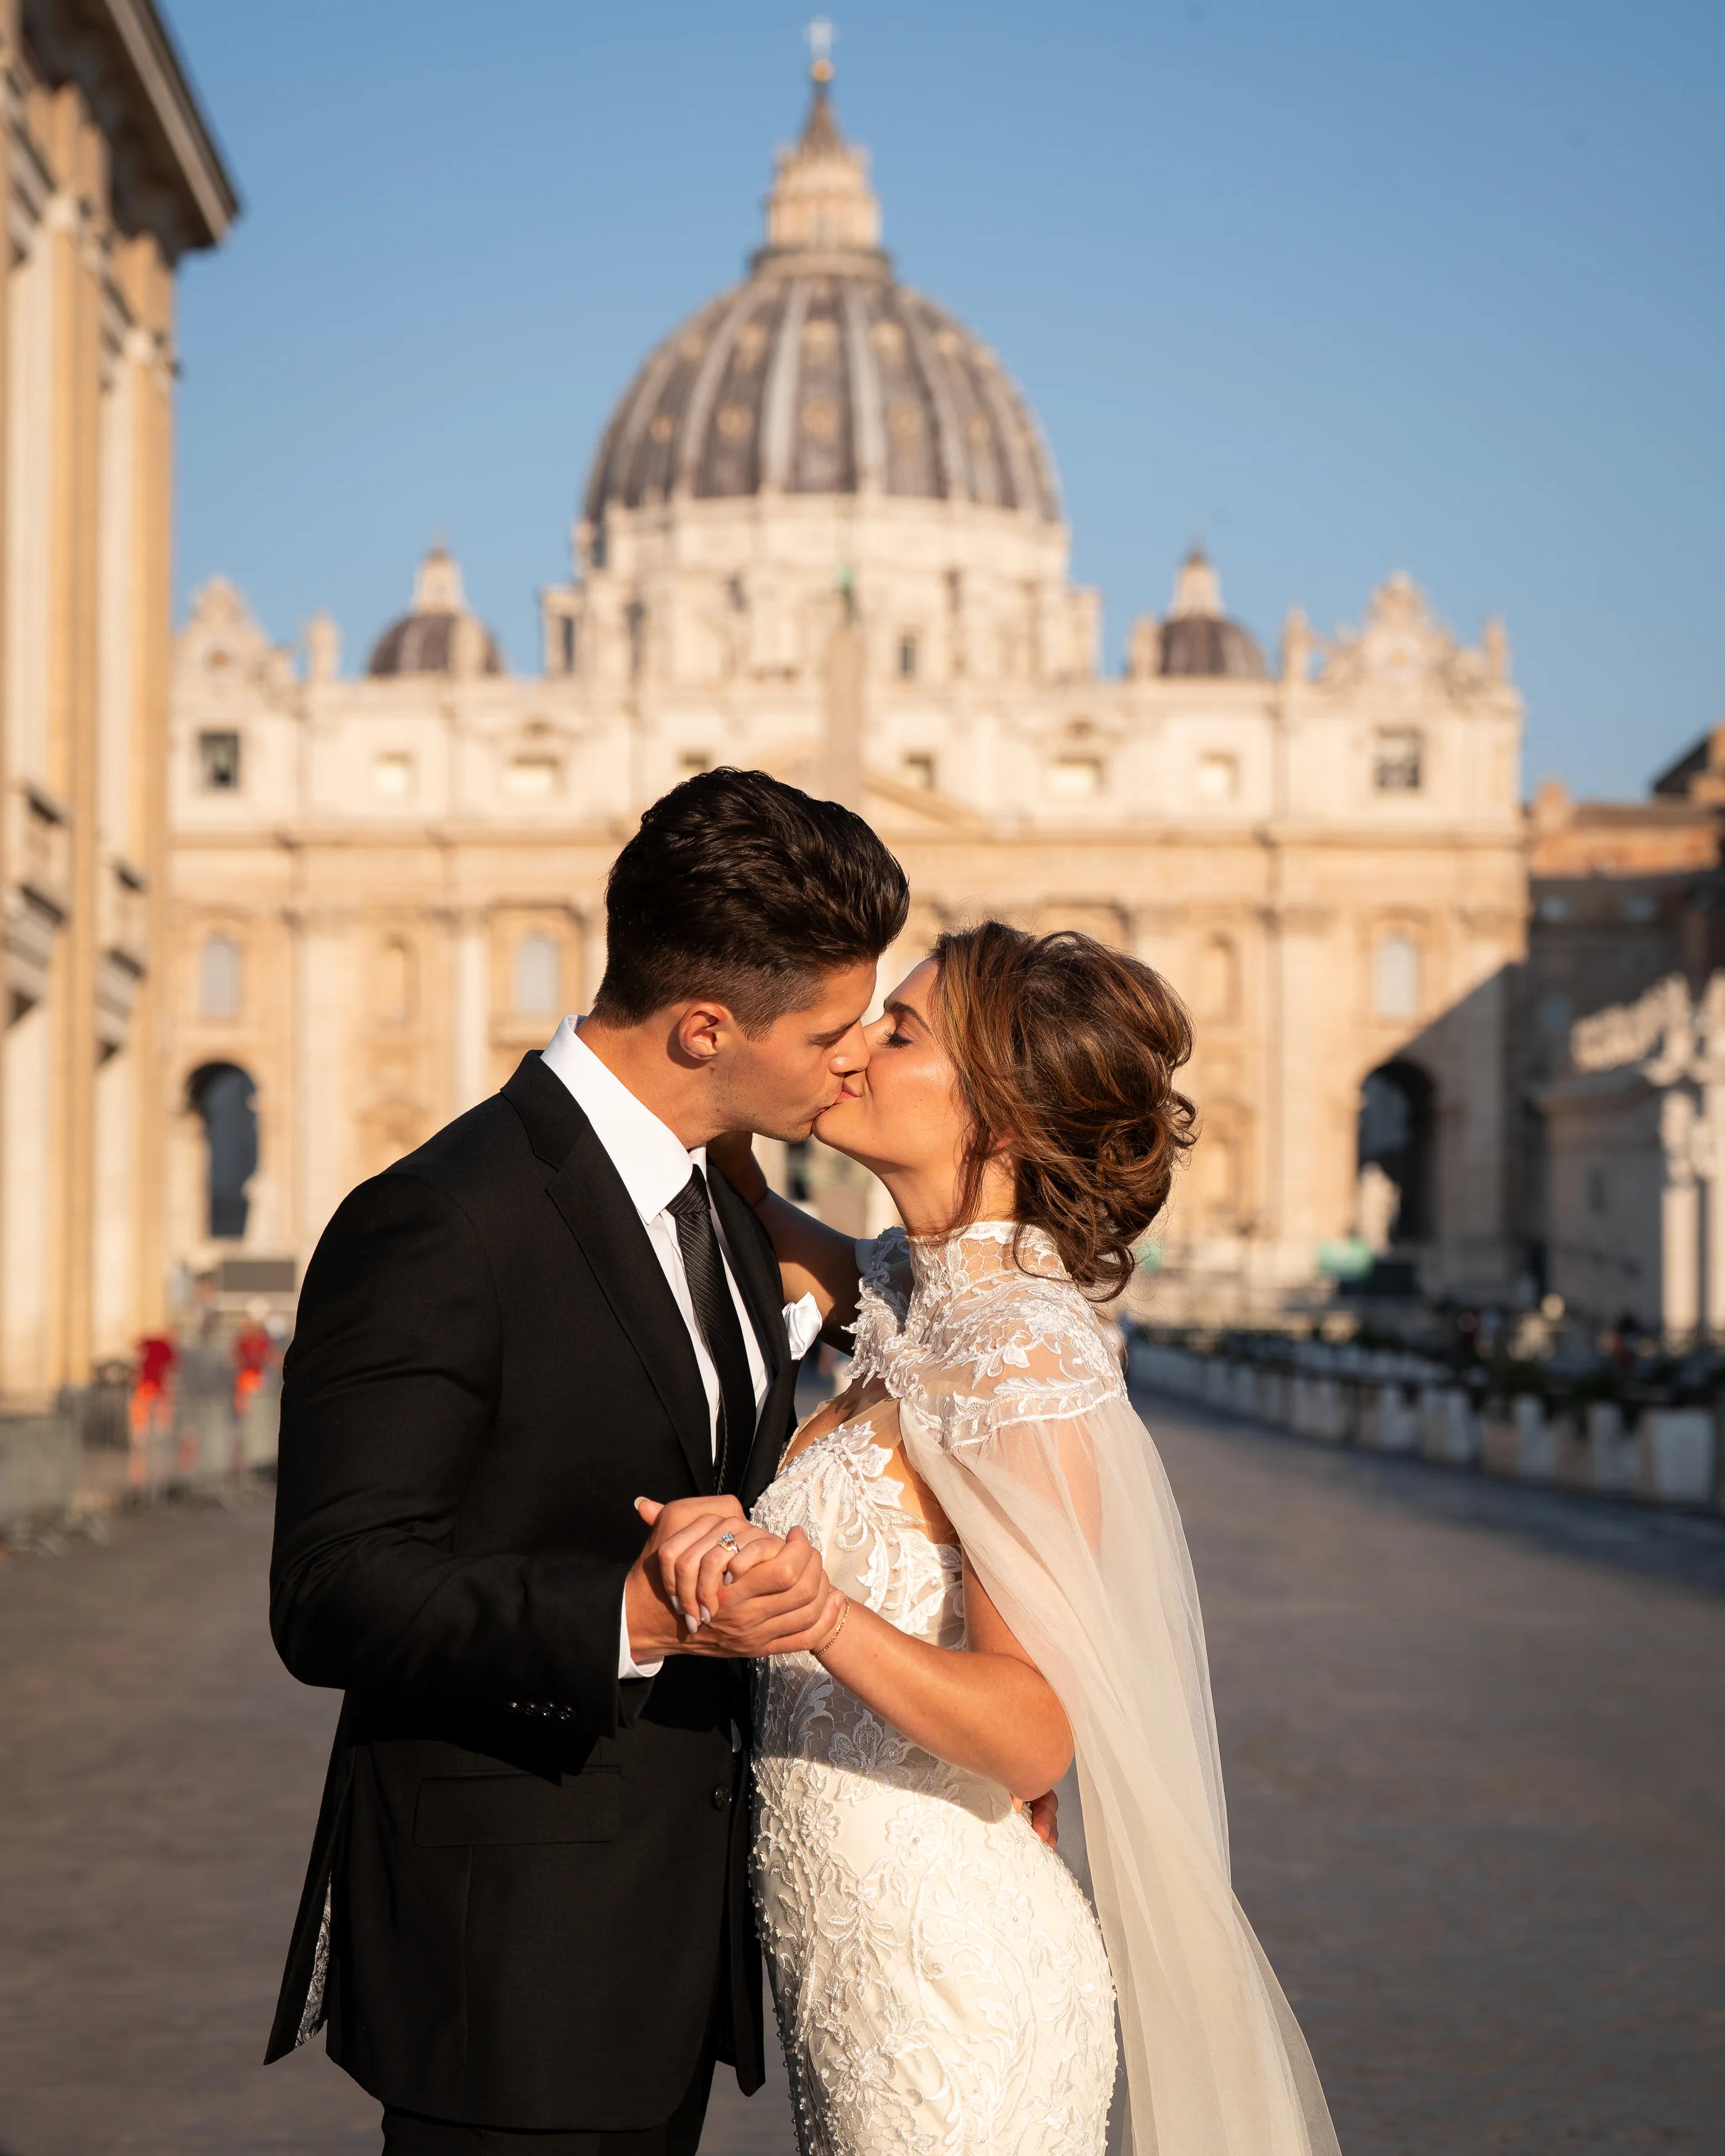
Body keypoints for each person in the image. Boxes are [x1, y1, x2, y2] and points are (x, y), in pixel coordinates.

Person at [266, 769, 1008, 2152]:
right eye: (832, 1030)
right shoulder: (437, 1221)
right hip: (512, 1960)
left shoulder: (715, 1185)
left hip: (668, 1940)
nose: (850, 1060)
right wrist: (636, 1614)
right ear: (705, 1025)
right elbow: (331, 1587)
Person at [671, 922, 1339, 2156]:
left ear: (1004, 1121)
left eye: (898, 1029)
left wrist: (820, 1616)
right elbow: (758, 1208)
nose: (853, 1044)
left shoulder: (1019, 1348)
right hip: (859, 1964)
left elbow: (1036, 1727)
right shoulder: (916, 1291)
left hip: (954, 1980)